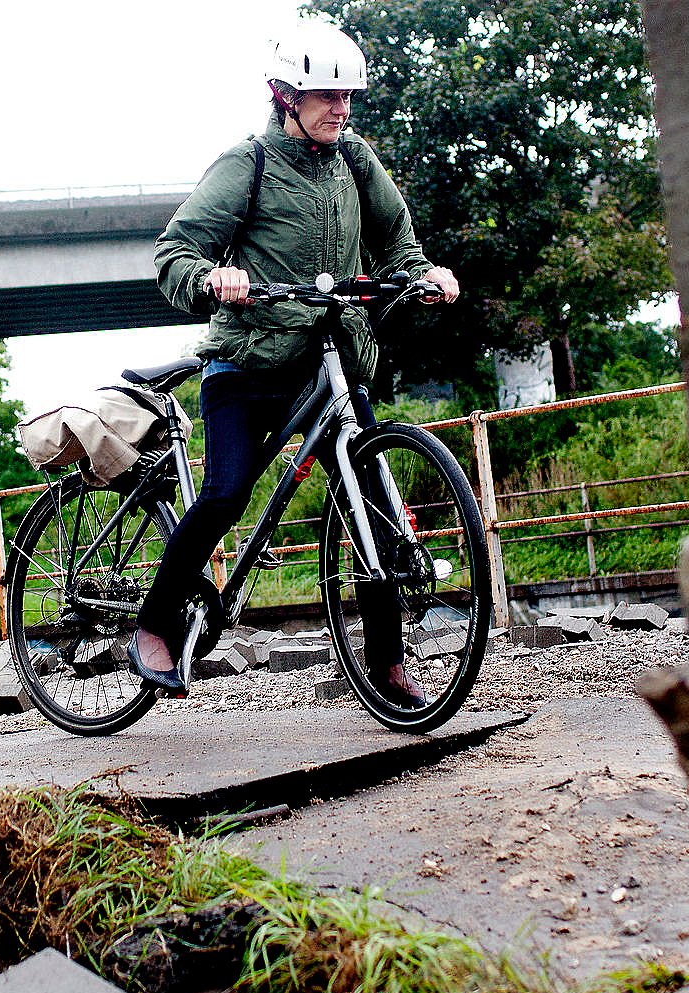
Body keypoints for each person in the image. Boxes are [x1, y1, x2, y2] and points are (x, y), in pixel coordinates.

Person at [128, 20, 460, 704]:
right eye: (325, 94)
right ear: (284, 95)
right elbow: (176, 253)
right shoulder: (246, 164)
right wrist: (211, 278)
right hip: (245, 365)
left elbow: (396, 239)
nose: (341, 106)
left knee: (370, 493)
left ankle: (387, 667)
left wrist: (421, 273)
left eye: (348, 95)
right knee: (227, 492)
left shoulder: (356, 160)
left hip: (331, 357)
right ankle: (155, 621)